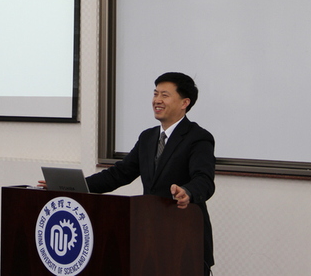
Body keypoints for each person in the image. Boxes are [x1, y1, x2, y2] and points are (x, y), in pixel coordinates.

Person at [86, 72, 216, 275]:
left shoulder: (198, 137)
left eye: (165, 95)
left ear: (185, 102)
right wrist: (77, 186)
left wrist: (187, 192)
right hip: (150, 236)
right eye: (155, 94)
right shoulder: (147, 137)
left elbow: (204, 179)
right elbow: (119, 174)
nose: (157, 100)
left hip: (184, 238)